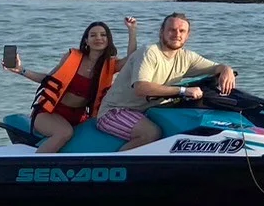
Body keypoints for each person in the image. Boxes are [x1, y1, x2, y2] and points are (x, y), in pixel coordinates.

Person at [94, 13, 236, 150]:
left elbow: (216, 67)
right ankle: (117, 164)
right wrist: (183, 91)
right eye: (172, 30)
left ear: (188, 35)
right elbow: (141, 88)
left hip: (147, 111)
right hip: (115, 111)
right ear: (161, 32)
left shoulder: (187, 57)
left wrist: (227, 70)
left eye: (182, 31)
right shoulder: (149, 53)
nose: (177, 34)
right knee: (151, 133)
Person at [2, 17, 138, 153]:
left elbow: (132, 59)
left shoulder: (110, 65)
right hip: (49, 112)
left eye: (103, 35)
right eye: (93, 35)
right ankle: (34, 163)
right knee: (64, 133)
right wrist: (22, 71)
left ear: (108, 40)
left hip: (79, 116)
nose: (98, 38)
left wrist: (132, 30)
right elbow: (48, 79)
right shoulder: (71, 57)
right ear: (86, 41)